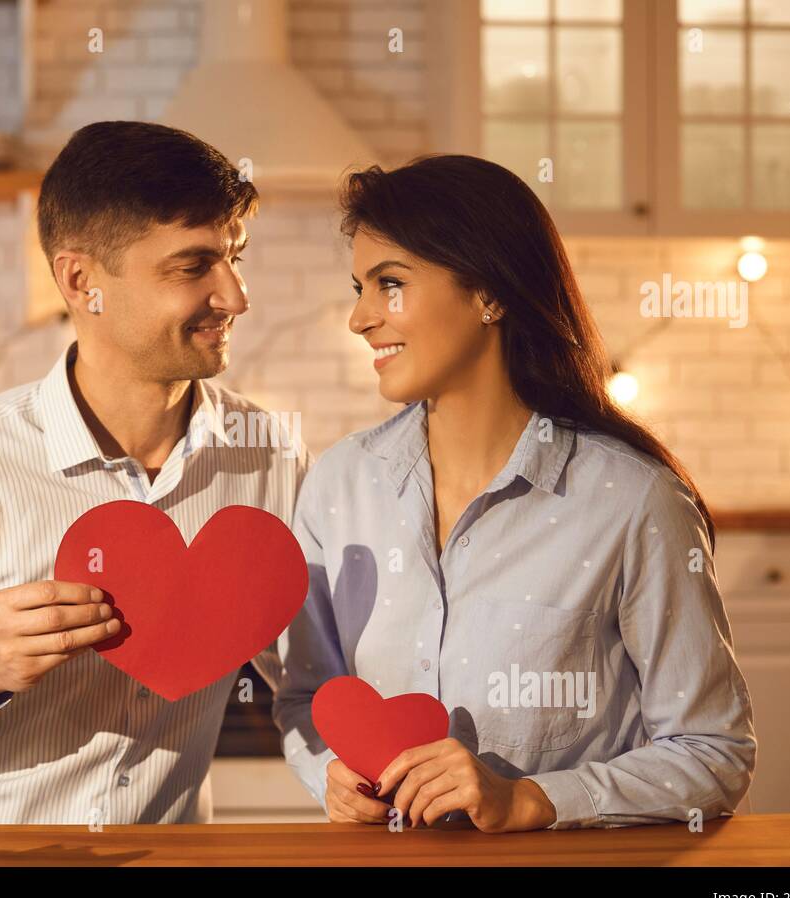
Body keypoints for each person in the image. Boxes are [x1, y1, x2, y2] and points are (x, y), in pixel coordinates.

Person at [0, 121, 308, 824]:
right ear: (81, 281)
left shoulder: (271, 457)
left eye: (235, 258)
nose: (235, 296)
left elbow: (311, 683)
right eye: (193, 266)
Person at [270, 155, 756, 831]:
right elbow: (307, 694)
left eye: (389, 285)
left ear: (488, 295)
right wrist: (327, 770)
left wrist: (530, 798)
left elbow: (713, 754)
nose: (359, 318)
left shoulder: (634, 501)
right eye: (360, 287)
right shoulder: (338, 486)